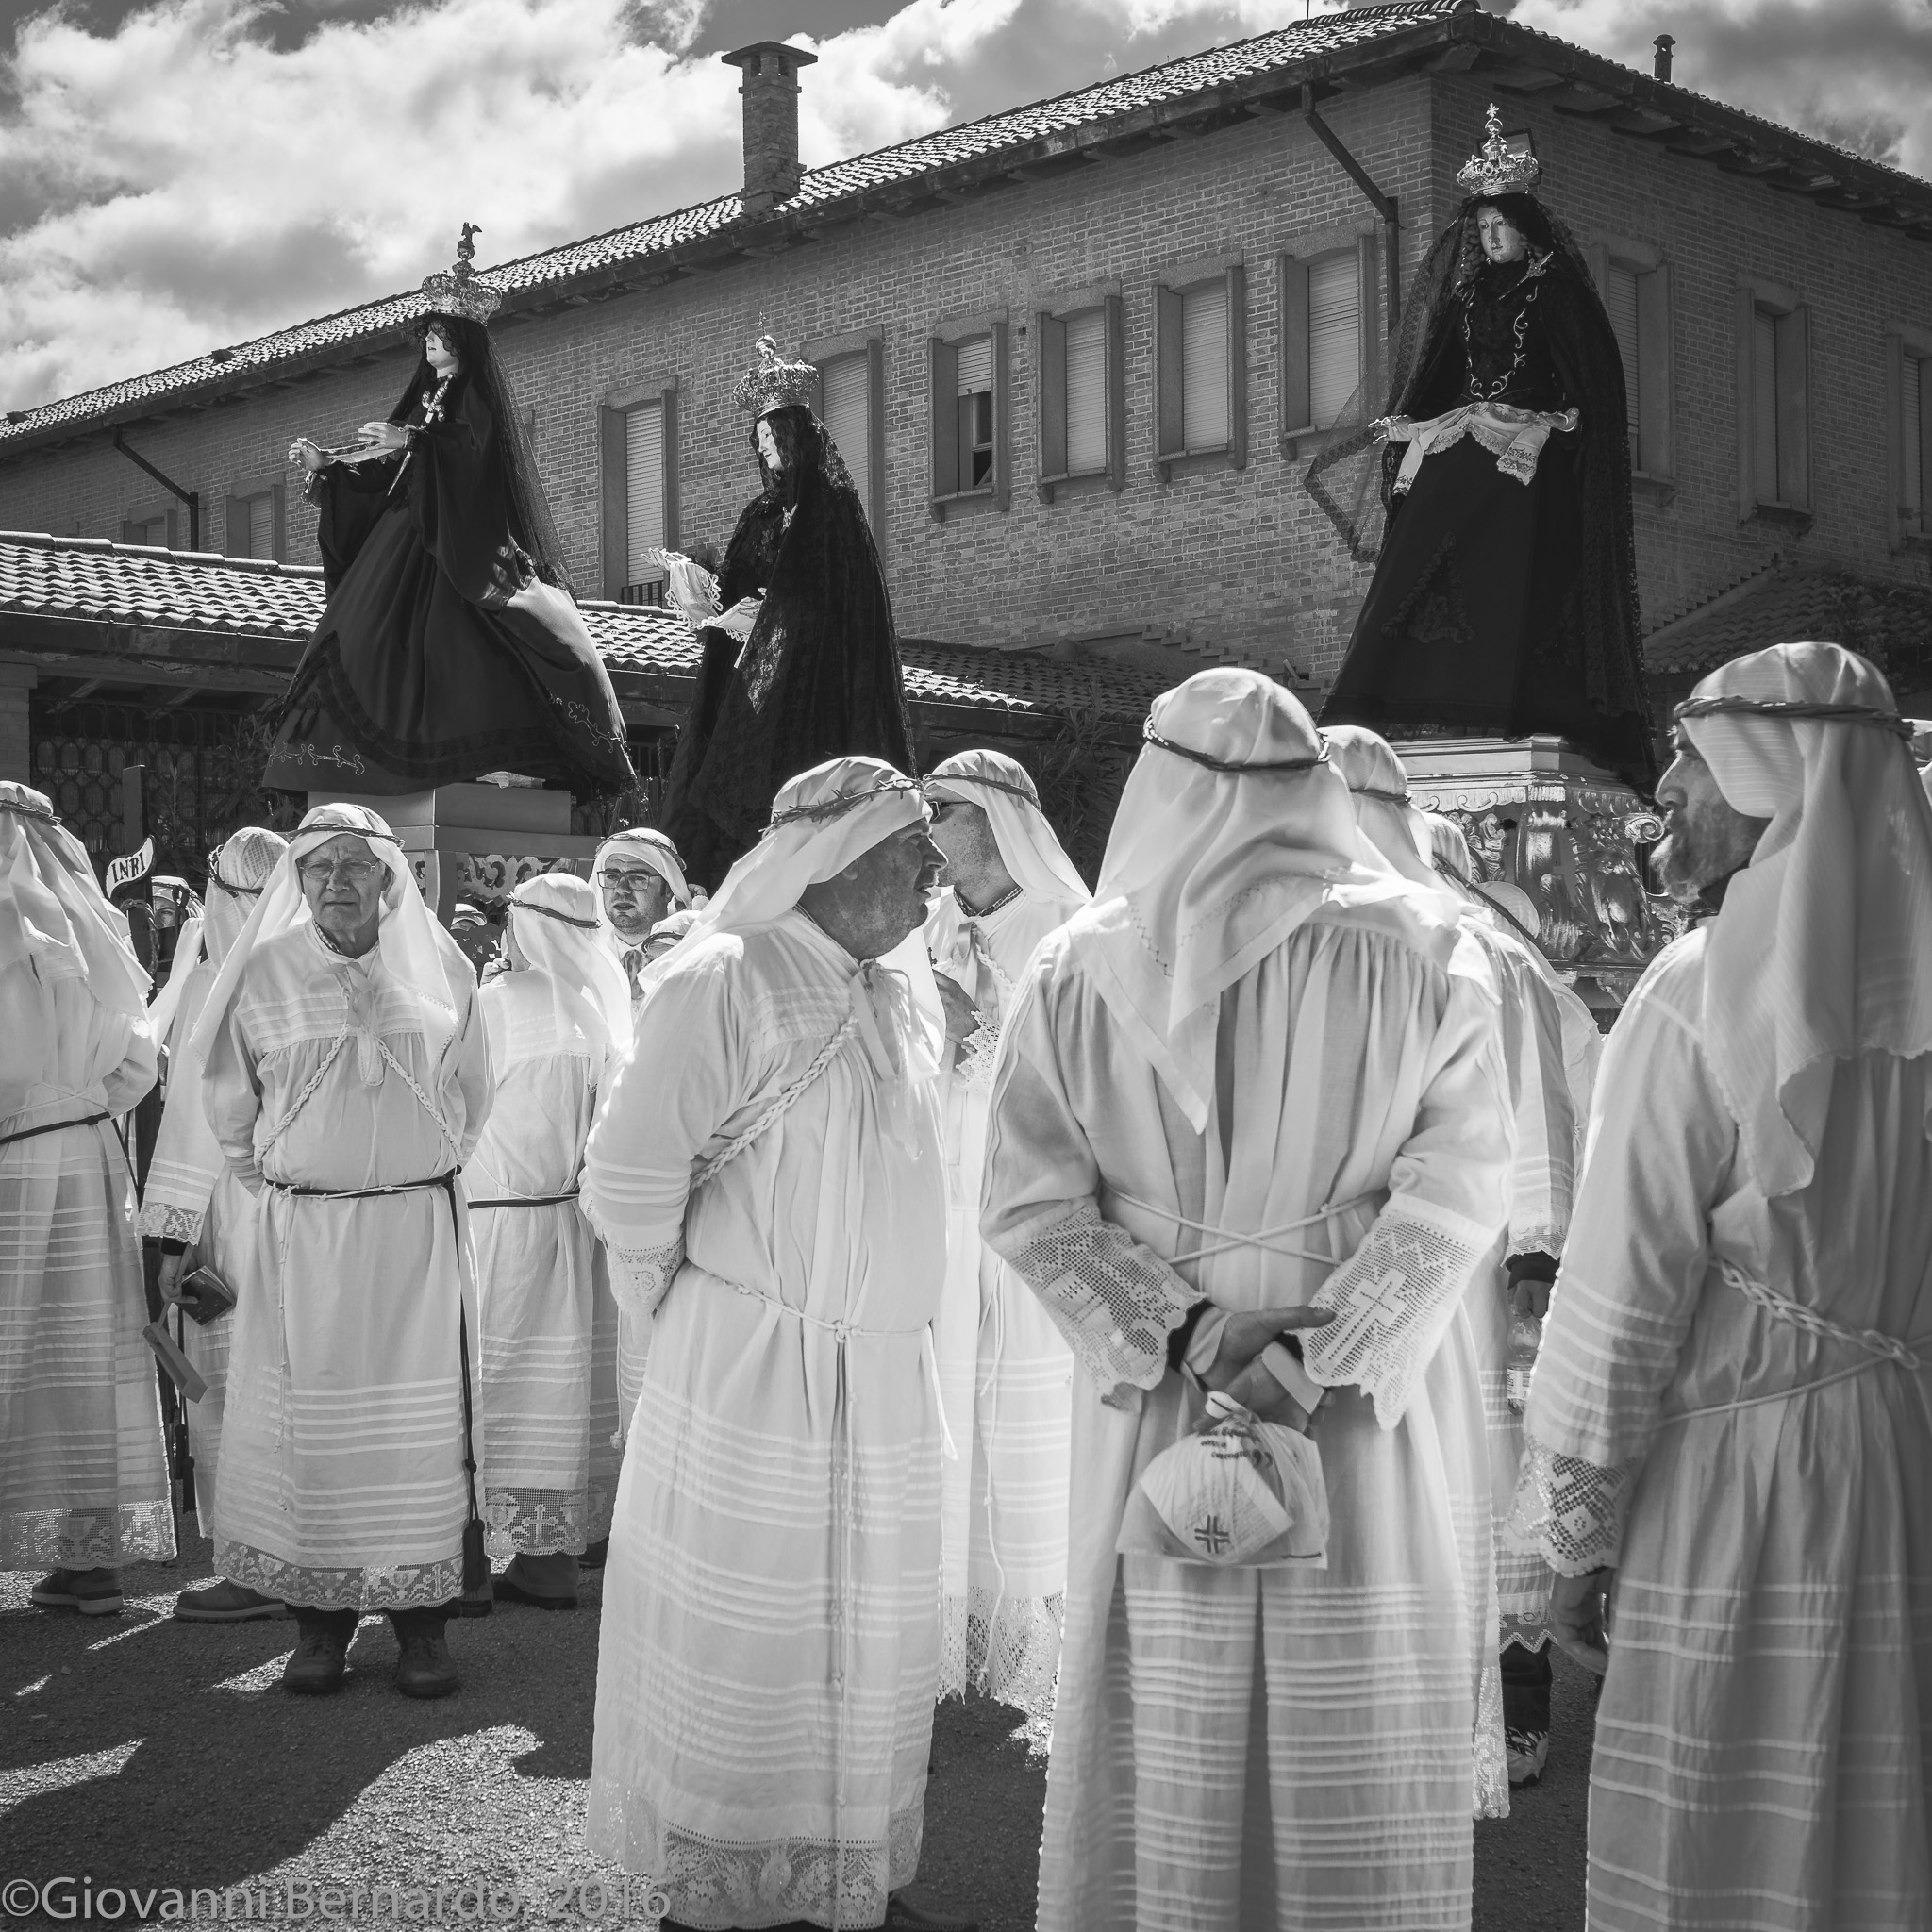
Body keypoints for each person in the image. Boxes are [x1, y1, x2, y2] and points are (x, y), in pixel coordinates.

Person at [979, 668, 1514, 1931]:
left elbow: (1026, 1202)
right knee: (1361, 1691)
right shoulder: (1434, 948)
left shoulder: (1072, 970)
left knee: (1171, 1694)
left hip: (1167, 1400)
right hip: (1355, 1411)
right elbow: (1461, 1192)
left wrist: (1189, 1329)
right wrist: (1323, 1353)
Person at [1509, 641, 1932, 1930]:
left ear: (1774, 781)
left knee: (1719, 1835)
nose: (1668, 789)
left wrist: (1565, 1542)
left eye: (1697, 756)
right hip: (1893, 1466)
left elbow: (1624, 1290)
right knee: (1864, 1822)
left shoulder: (1697, 993)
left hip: (1735, 1487)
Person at [583, 757, 973, 1932]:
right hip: (754, 1376)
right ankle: (724, 1896)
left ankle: (848, 1880)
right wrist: (691, 1320)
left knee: (866, 1646)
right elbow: (628, 1175)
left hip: (884, 1383)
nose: (934, 875)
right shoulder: (721, 977)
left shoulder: (900, 993)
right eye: (916, 851)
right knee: (749, 1648)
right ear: (837, 858)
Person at [1326, 725, 1582, 1786]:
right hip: (1379, 1260)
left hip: (1478, 1263)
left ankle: (1515, 1707)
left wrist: (1529, 1261)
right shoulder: (1347, 933)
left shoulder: (1467, 939)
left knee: (1484, 1482)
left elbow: (1536, 1114)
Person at [192, 802, 493, 1697]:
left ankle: (422, 1629)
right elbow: (229, 1108)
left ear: (391, 876)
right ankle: (319, 1626)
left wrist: (411, 1172)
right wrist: (299, 1188)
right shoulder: (264, 973)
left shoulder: (442, 966)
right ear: (298, 879)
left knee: (418, 1433)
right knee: (310, 1433)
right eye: (319, 867)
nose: (337, 882)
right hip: (307, 1238)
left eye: (356, 865)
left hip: (414, 1237)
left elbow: (476, 1094)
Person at [1310, 108, 1654, 790]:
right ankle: (1386, 689)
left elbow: (1593, 382)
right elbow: (1436, 373)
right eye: (1482, 228)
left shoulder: (1557, 293)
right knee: (1423, 521)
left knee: (1506, 514)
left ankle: (1505, 691)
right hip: (1463, 434)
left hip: (1528, 445)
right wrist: (1408, 423)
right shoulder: (1465, 296)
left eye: (1501, 227)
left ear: (1526, 230)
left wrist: (1560, 421)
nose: (1491, 237)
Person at [266, 228, 634, 797]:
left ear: (463, 341)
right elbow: (390, 472)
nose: (431, 344)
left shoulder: (475, 400)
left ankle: (492, 754)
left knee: (470, 641)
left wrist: (412, 442)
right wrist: (333, 466)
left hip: (460, 540)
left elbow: (470, 459)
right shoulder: (421, 399)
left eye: (441, 335)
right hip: (403, 535)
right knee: (361, 642)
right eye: (428, 334)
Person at [921, 749, 1091, 1703]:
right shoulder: (928, 921)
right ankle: (956, 1625)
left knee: (1028, 1418)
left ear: (989, 817)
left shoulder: (1067, 927)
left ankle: (1038, 1633)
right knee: (951, 1416)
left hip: (1029, 1206)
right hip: (940, 1197)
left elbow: (1084, 1074)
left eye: (938, 809)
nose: (926, 830)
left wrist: (981, 1016)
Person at [659, 337, 915, 891]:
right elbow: (734, 586)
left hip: (814, 684)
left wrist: (777, 619)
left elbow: (840, 603)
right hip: (753, 676)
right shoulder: (760, 514)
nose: (764, 449)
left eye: (772, 437)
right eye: (758, 439)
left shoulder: (833, 511)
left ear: (797, 438)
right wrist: (698, 591)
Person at [2, 783, 168, 1614]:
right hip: (93, 1162)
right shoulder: (97, 935)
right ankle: (89, 1557)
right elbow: (141, 1066)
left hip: (9, 1168)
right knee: (85, 1354)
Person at [135, 825, 291, 1624]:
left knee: (231, 1384)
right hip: (313, 1212)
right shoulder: (318, 975)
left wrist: (171, 1241)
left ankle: (251, 1564)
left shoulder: (211, 988)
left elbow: (197, 1131)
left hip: (233, 1216)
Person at [472, 871, 631, 1611]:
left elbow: (452, 1107)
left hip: (499, 1221)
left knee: (492, 1384)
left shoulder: (498, 1005)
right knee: (560, 1388)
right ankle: (553, 1558)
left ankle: (469, 1558)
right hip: (572, 1222)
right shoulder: (602, 1012)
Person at [593, 827, 692, 1000]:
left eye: (638, 878)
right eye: (611, 876)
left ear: (668, 890)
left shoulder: (692, 957)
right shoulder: (586, 958)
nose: (621, 889)